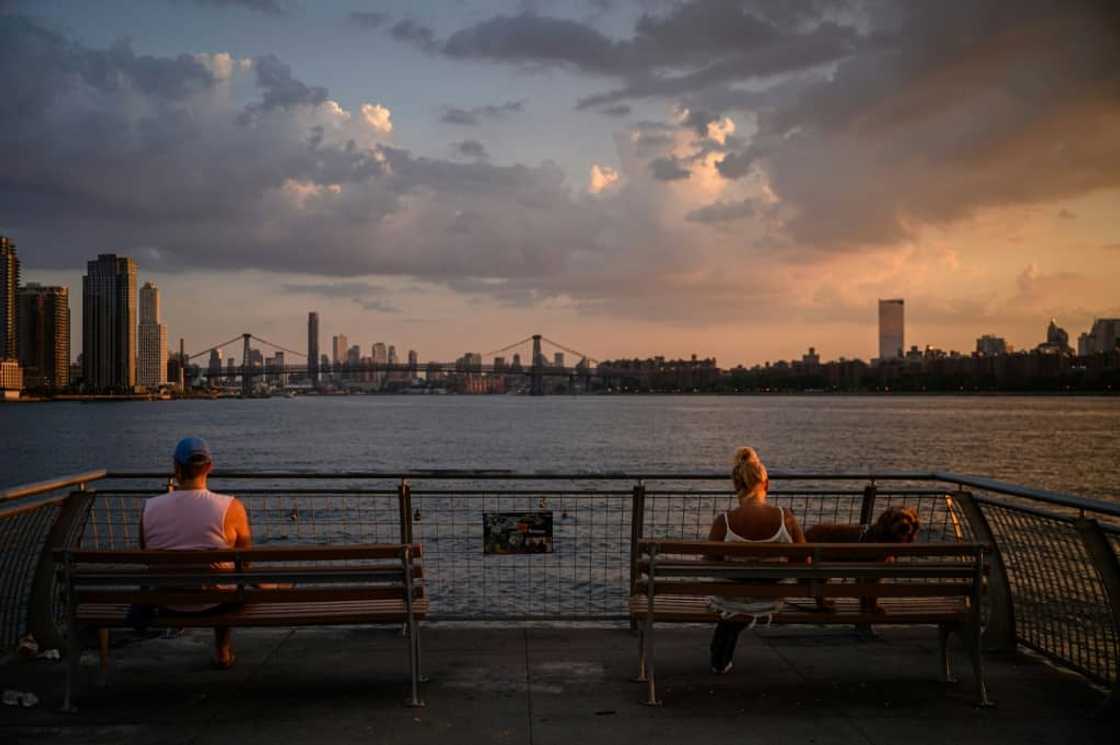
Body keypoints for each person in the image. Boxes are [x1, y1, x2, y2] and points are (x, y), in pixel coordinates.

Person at [139, 436, 251, 669]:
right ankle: (222, 650)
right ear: (210, 467)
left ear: (176, 467)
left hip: (165, 601)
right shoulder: (232, 507)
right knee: (229, 580)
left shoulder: (149, 507)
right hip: (217, 603)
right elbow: (245, 562)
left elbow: (145, 555)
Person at [706, 446, 806, 674]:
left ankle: (722, 649)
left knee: (733, 606)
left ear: (736, 486)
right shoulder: (785, 517)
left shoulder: (723, 521)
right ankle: (724, 647)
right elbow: (804, 560)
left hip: (729, 601)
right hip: (769, 600)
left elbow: (710, 562)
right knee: (744, 605)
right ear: (766, 484)